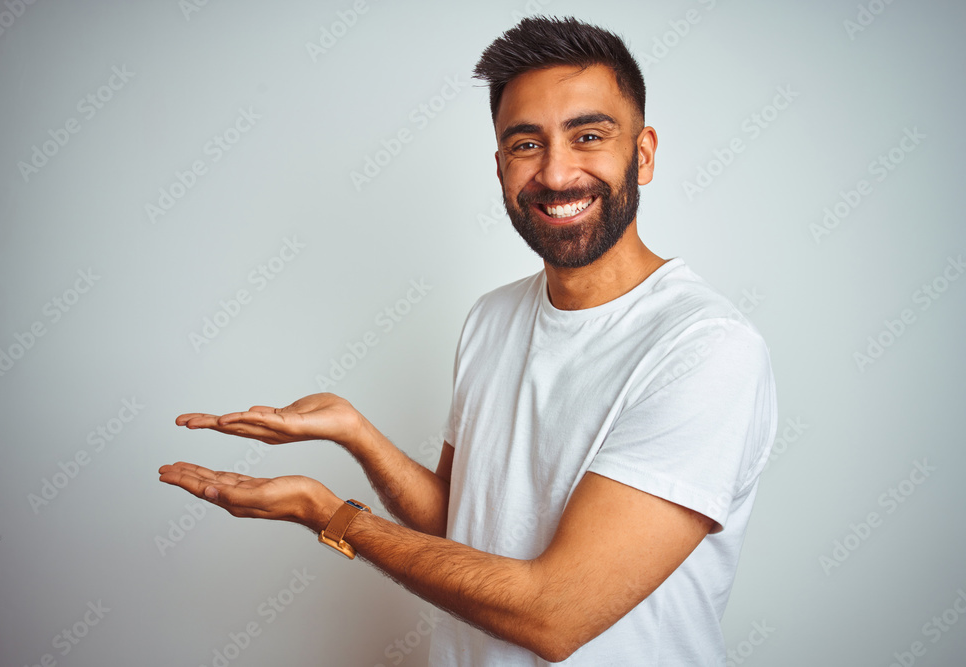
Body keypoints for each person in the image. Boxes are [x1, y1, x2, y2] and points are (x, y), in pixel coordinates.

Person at [159, 16, 777, 666]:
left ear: (642, 153)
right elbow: (464, 525)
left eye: (588, 135)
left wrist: (330, 515)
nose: (557, 172)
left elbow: (555, 615)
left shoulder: (705, 349)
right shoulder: (492, 317)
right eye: (525, 144)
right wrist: (356, 432)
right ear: (500, 165)